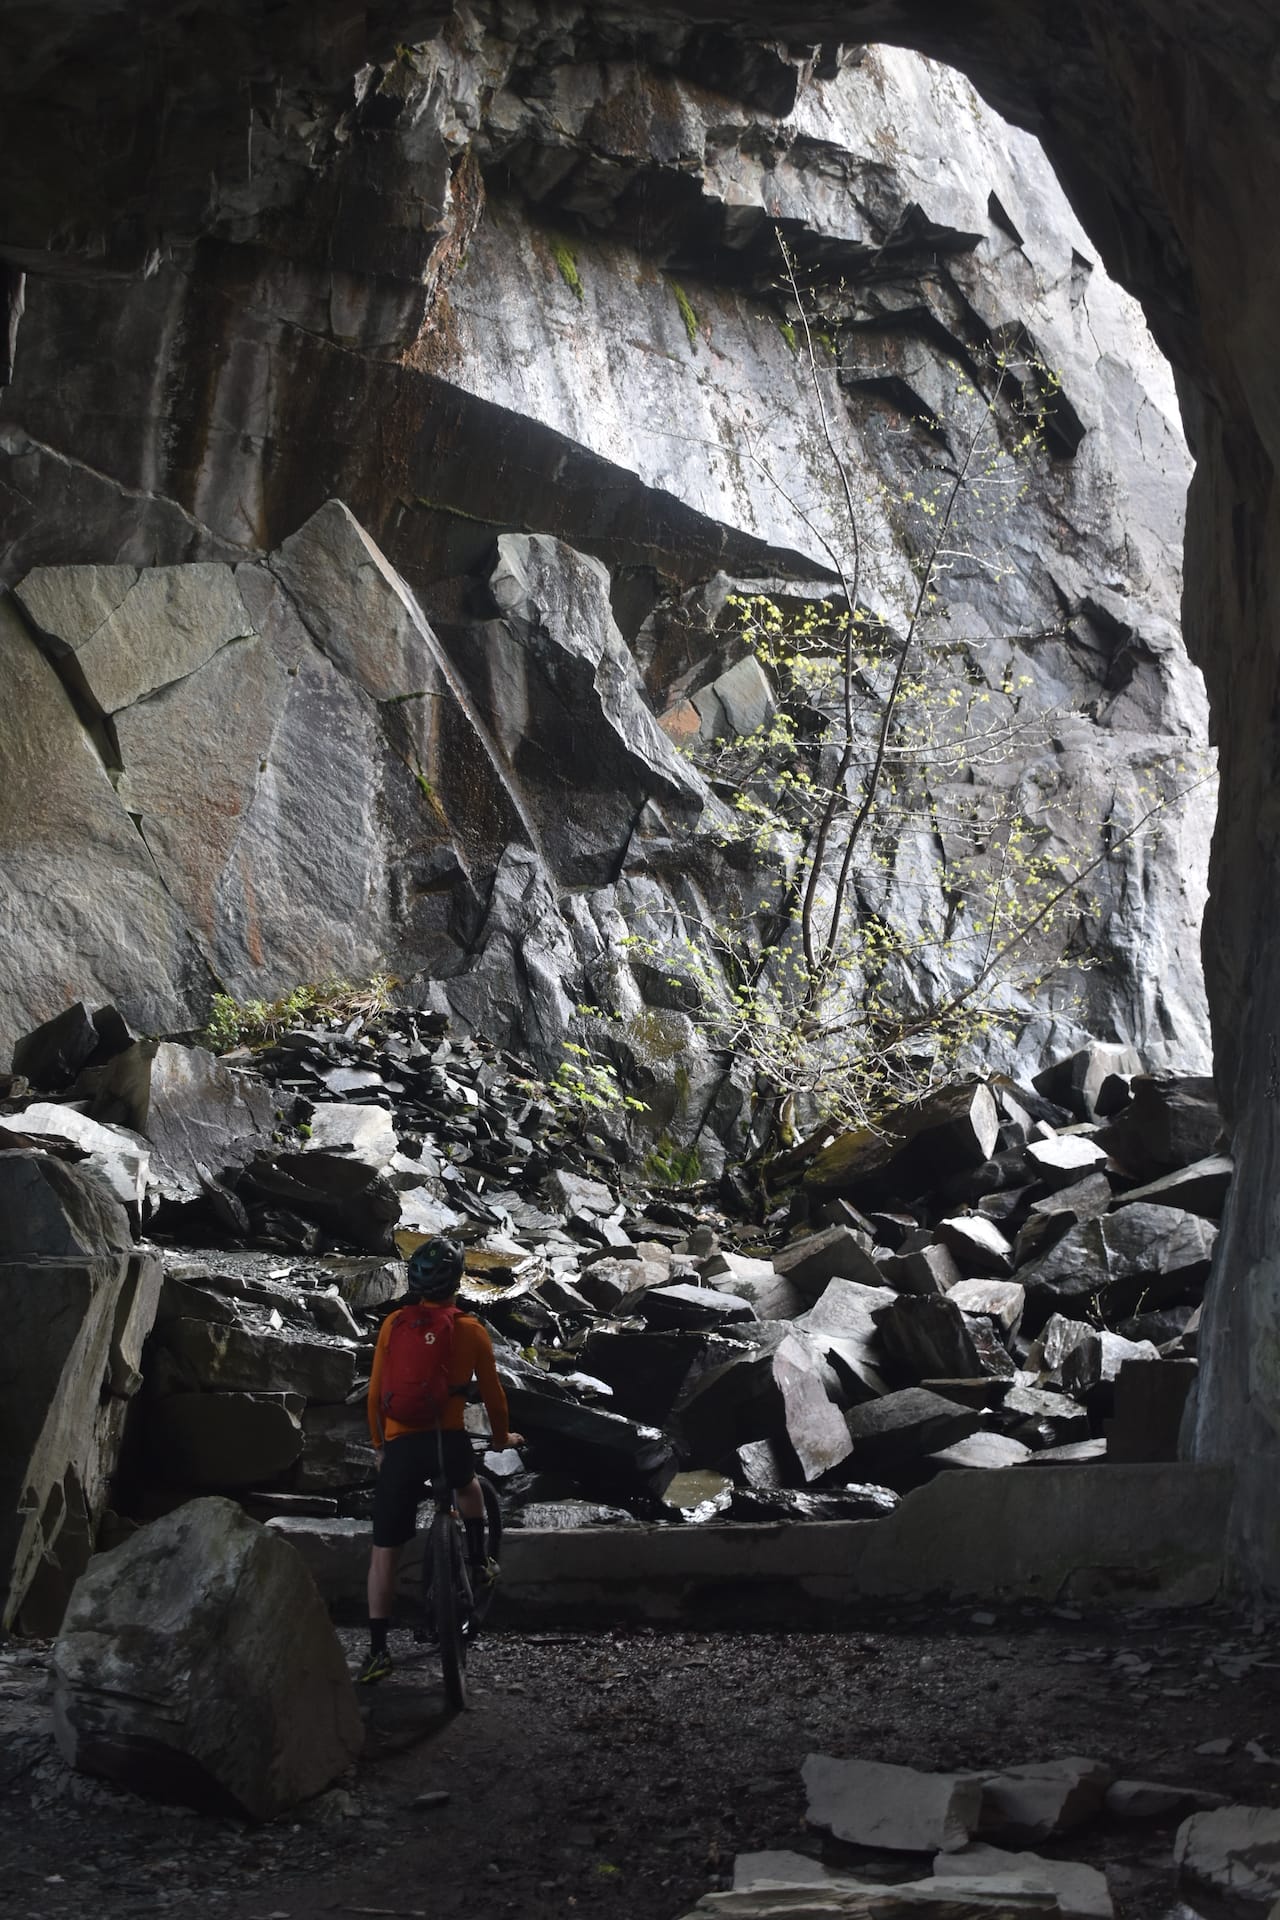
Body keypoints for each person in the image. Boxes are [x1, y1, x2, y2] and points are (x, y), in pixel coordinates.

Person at [357, 1237, 523, 1685]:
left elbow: (374, 1395)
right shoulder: (470, 1329)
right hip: (447, 1442)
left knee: (383, 1553)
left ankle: (377, 1651)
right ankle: (478, 1560)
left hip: (401, 1448)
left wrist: (379, 1446)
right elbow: (494, 1396)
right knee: (468, 1486)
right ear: (458, 1282)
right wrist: (502, 1438)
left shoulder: (394, 1324)